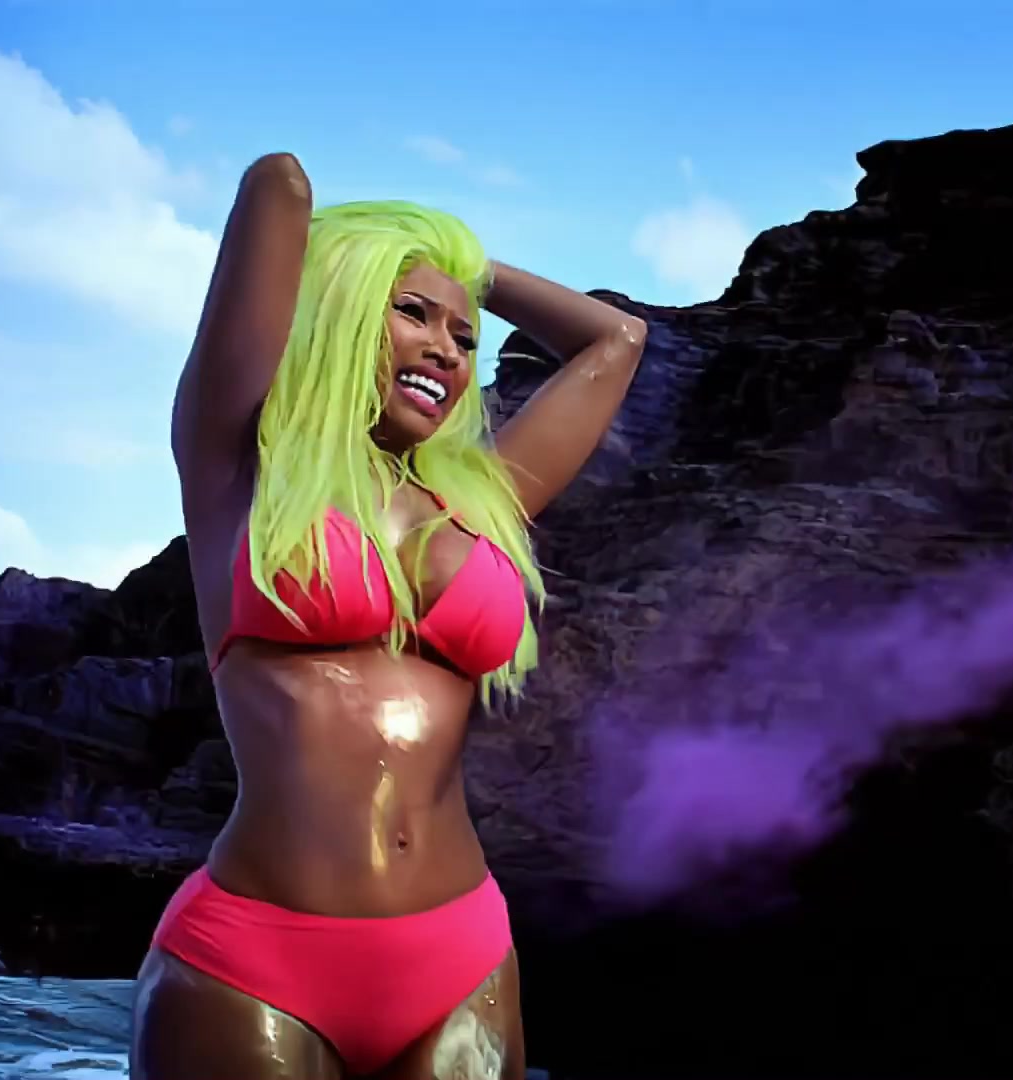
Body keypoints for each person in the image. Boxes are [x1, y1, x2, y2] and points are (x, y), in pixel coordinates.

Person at [129, 152, 647, 1080]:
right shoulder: (236, 467)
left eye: (465, 335)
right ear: (343, 312)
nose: (448, 349)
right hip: (257, 959)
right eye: (413, 313)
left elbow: (616, 340)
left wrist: (462, 271)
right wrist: (379, 252)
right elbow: (279, 186)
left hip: (462, 955)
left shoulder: (482, 505)